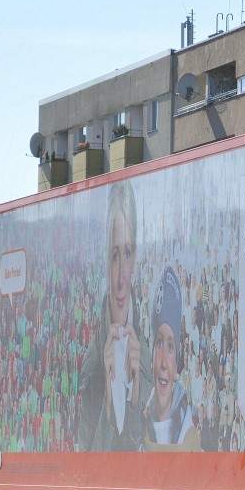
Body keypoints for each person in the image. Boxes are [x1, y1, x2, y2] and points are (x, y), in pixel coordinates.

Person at [78, 182, 151, 450]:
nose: (121, 277)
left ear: (135, 257)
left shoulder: (152, 356)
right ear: (105, 260)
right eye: (114, 255)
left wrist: (132, 405)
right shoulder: (93, 361)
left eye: (127, 253)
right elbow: (82, 464)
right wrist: (108, 407)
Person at [143, 266, 201, 451]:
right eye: (159, 343)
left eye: (170, 346)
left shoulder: (189, 436)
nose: (163, 364)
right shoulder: (137, 430)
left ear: (176, 366)